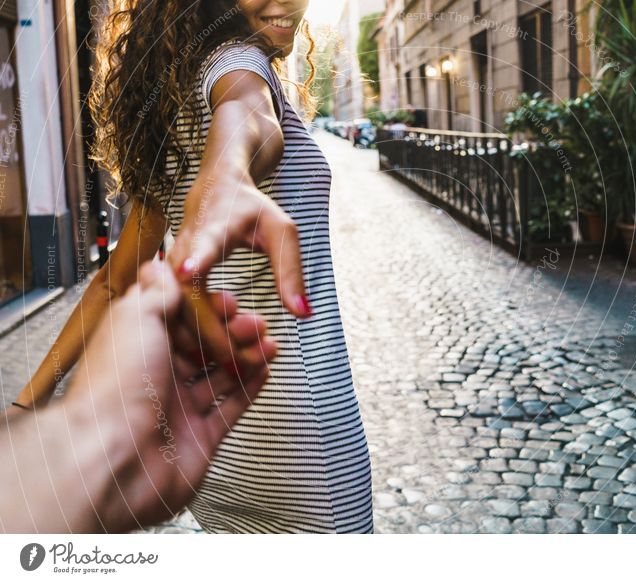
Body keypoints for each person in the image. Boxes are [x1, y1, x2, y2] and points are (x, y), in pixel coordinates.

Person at [16, 0, 373, 533]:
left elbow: (114, 282)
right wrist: (228, 171)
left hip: (214, 444)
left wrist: (27, 404)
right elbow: (246, 111)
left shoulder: (181, 98)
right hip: (304, 443)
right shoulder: (238, 64)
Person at [1, 260, 276, 533]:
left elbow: (112, 284)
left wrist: (37, 402)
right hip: (236, 405)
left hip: (199, 421)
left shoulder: (158, 215)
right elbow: (112, 284)